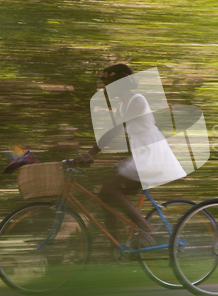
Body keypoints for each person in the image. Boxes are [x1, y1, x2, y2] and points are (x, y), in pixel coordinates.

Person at [74, 63, 187, 247]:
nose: (106, 89)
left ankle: (148, 229)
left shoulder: (137, 100)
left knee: (110, 189)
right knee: (106, 193)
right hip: (143, 152)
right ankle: (116, 247)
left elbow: (116, 129)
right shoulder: (123, 105)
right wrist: (91, 154)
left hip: (152, 153)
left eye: (109, 84)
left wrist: (90, 154)